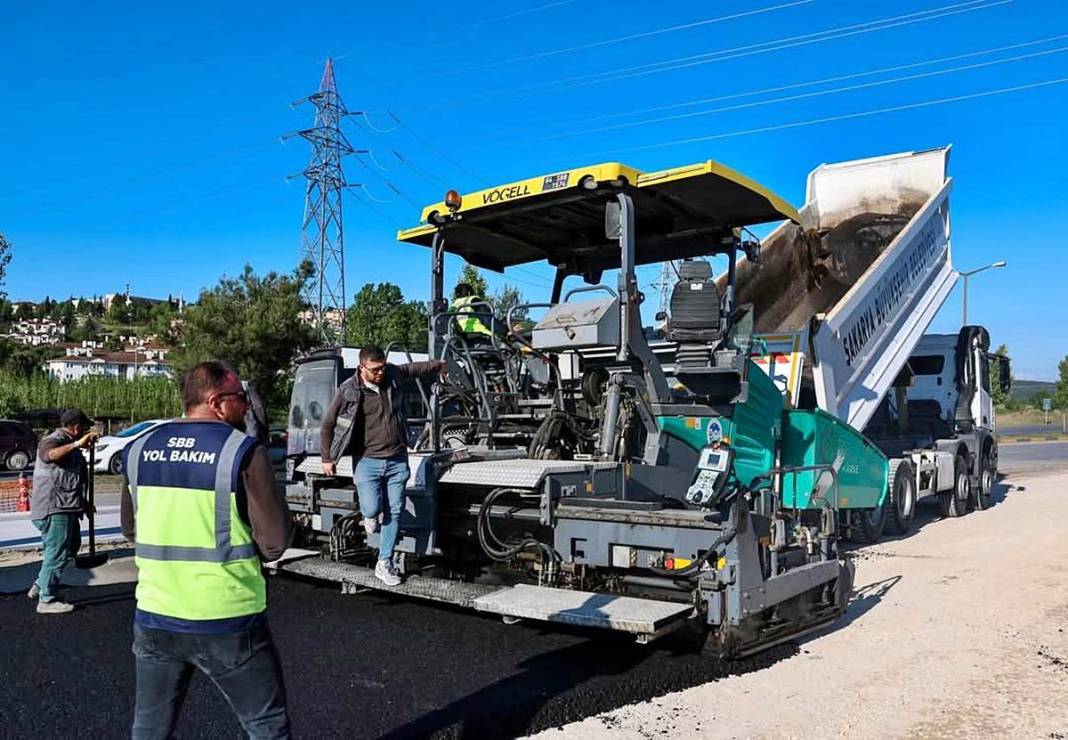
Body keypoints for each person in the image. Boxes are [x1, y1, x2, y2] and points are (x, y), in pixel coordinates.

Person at [120, 361, 293, 739]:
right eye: (240, 398)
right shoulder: (242, 451)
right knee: (266, 725)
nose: (246, 406)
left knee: (150, 727)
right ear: (216, 402)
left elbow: (131, 529)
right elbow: (275, 543)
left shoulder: (137, 449)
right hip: (228, 616)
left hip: (156, 614)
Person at [320, 346, 446, 587]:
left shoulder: (392, 374)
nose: (380, 373)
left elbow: (413, 369)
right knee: (371, 507)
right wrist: (327, 458)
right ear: (362, 368)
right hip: (367, 461)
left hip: (397, 458)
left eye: (383, 368)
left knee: (394, 511)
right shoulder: (348, 390)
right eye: (375, 370)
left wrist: (439, 364)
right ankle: (369, 515)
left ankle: (384, 562)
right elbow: (327, 424)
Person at [28, 408, 98, 614]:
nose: (86, 432)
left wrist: (84, 503)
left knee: (71, 546)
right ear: (76, 428)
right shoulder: (53, 440)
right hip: (53, 509)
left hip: (67, 507)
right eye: (84, 428)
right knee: (57, 553)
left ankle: (41, 583)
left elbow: (72, 479)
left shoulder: (71, 446)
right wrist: (77, 444)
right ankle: (46, 600)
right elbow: (49, 455)